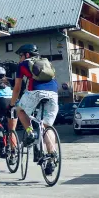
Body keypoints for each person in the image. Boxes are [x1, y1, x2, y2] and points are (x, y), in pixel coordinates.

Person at [11, 44, 59, 172]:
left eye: (20, 55)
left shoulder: (22, 65)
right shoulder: (45, 62)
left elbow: (17, 88)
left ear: (26, 55)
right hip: (54, 93)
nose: (19, 58)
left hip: (36, 92)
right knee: (46, 126)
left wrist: (12, 103)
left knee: (20, 110)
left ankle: (30, 132)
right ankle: (52, 156)